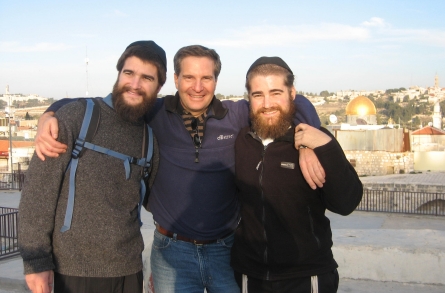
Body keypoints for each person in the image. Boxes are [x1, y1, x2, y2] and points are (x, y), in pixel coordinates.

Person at [34, 46, 324, 293]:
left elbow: (296, 102)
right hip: (172, 253)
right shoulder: (155, 113)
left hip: (227, 251)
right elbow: (98, 105)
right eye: (189, 77)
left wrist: (308, 141)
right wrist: (51, 112)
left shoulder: (235, 115)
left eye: (206, 78)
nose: (197, 87)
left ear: (215, 80)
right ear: (175, 79)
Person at [18, 40, 166, 293]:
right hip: (74, 271)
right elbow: (38, 194)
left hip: (129, 270)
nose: (135, 84)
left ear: (159, 86)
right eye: (128, 73)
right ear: (118, 74)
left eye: (147, 78)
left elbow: (153, 200)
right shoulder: (77, 117)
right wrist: (35, 261)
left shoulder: (149, 139)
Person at [231, 57, 363, 293]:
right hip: (249, 278)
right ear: (248, 98)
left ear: (292, 93)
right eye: (258, 95)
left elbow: (346, 203)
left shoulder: (317, 140)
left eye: (276, 92)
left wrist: (325, 146)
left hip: (306, 277)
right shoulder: (241, 141)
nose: (267, 103)